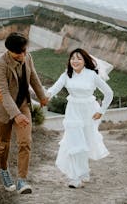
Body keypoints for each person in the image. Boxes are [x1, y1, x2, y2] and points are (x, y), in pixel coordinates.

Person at [46, 48, 114, 189]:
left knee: (85, 143)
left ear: (85, 61)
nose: (75, 61)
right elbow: (53, 89)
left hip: (90, 112)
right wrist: (44, 97)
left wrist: (101, 111)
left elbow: (109, 93)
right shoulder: (66, 75)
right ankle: (74, 178)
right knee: (74, 143)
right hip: (73, 111)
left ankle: (83, 173)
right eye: (72, 58)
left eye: (78, 58)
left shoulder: (92, 75)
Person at [0, 32, 48, 194]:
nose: (23, 55)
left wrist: (42, 96)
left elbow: (33, 77)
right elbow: (2, 92)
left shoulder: (27, 57)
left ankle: (22, 180)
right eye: (19, 53)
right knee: (4, 144)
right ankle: (3, 170)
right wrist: (15, 115)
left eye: (24, 51)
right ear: (10, 51)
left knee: (25, 142)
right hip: (3, 109)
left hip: (23, 105)